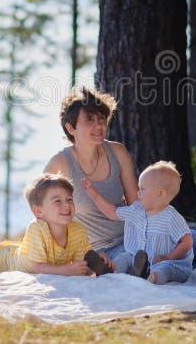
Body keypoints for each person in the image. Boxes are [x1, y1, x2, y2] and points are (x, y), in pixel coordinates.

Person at [43, 87, 139, 263]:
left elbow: (136, 206)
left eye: (101, 119)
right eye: (90, 120)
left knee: (190, 240)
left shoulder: (117, 152)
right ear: (71, 128)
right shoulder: (59, 165)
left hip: (132, 238)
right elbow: (44, 217)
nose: (99, 126)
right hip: (97, 251)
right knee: (128, 261)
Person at [82, 161, 194, 284]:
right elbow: (112, 212)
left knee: (165, 269)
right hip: (139, 258)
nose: (137, 193)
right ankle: (111, 271)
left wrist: (168, 257)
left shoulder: (171, 217)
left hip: (168, 262)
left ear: (160, 194)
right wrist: (95, 195)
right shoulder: (136, 209)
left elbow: (186, 242)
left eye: (142, 189)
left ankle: (150, 277)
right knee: (125, 257)